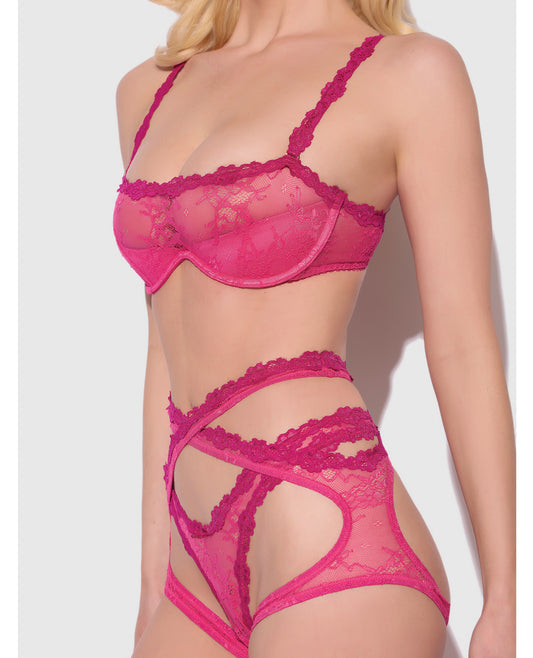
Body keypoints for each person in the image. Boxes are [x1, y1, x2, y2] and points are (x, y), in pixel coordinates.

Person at [113, 0, 516, 656]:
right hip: (193, 570)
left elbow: (464, 344)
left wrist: (505, 601)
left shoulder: (411, 73)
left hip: (329, 534)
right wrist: (150, 588)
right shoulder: (145, 90)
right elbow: (163, 347)